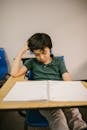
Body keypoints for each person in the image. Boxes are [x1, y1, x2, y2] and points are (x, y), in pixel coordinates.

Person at [11, 33, 87, 130]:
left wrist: (70, 91)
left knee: (73, 111)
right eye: (37, 54)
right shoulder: (31, 62)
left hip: (60, 93)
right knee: (58, 116)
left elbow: (67, 78)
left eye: (44, 52)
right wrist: (21, 51)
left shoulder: (58, 62)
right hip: (43, 98)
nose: (41, 57)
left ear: (50, 48)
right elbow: (14, 73)